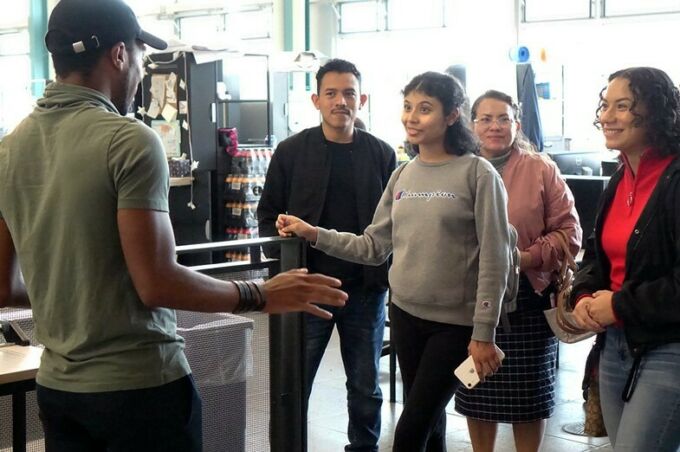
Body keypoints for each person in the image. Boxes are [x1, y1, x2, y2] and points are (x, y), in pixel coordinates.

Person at [0, 1, 347, 451]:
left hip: (59, 392)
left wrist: (75, 290)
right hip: (141, 390)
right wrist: (260, 294)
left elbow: (4, 286)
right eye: (141, 56)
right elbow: (157, 283)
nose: (143, 72)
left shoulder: (9, 149)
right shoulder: (127, 139)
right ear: (119, 55)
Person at [274, 71, 513, 452]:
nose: (412, 118)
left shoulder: (478, 173)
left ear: (452, 116)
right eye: (407, 107)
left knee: (409, 431)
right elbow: (372, 246)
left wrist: (484, 331)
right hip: (406, 316)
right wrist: (313, 232)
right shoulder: (404, 173)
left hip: (454, 325)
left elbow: (496, 258)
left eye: (425, 109)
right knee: (430, 429)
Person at [257, 58, 396, 452]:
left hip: (366, 291)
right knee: (292, 385)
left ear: (362, 99)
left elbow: (395, 225)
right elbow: (267, 215)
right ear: (316, 100)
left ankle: (363, 448)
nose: (341, 102)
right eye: (331, 93)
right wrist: (283, 263)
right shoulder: (291, 152)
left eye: (349, 93)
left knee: (366, 388)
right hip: (306, 289)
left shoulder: (382, 155)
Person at [455, 90, 582, 452]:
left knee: (528, 393)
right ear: (471, 123)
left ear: (517, 124)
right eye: (485, 118)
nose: (494, 126)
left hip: (527, 291)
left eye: (503, 118)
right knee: (476, 387)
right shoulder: (458, 166)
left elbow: (569, 233)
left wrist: (524, 258)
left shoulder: (540, 167)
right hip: (469, 292)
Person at [571, 66, 680, 451]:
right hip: (615, 344)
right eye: (605, 105)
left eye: (622, 106)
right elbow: (596, 257)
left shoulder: (675, 179)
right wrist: (583, 295)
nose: (606, 117)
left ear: (655, 111)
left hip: (667, 346)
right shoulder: (619, 179)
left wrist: (617, 303)